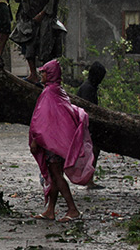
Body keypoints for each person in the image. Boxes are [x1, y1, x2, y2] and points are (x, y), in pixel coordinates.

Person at [29, 59, 95, 222]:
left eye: (44, 72)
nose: (41, 75)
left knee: (56, 175)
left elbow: (42, 120)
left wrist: (36, 139)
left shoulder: (49, 93)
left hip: (52, 142)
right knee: (53, 175)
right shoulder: (58, 91)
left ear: (50, 74)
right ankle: (50, 210)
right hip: (57, 141)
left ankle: (72, 209)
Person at [9, 0, 63, 84]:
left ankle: (48, 76)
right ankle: (33, 74)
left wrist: (43, 14)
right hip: (30, 19)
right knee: (29, 47)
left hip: (45, 19)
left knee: (46, 48)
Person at [77, 61, 107, 188]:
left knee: (94, 152)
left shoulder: (89, 87)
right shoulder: (88, 88)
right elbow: (89, 110)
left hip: (87, 125)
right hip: (85, 126)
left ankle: (89, 179)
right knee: (92, 152)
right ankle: (88, 180)